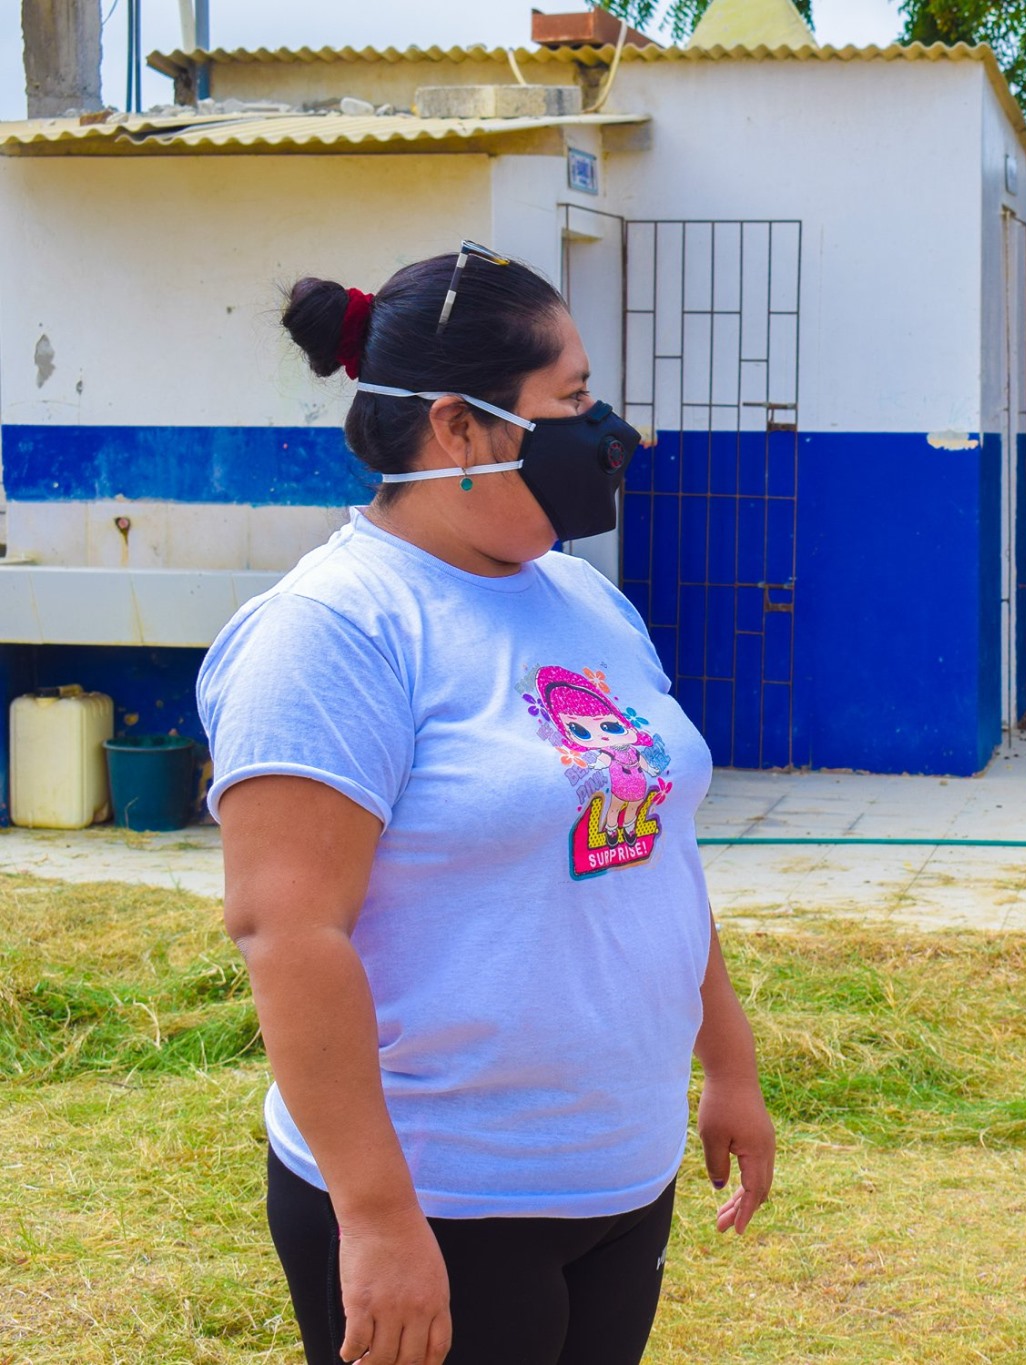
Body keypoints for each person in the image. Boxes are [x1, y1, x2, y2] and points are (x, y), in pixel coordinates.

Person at [200, 243, 775, 1365]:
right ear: (459, 429)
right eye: (570, 400)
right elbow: (288, 932)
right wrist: (375, 1217)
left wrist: (729, 1063)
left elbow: (651, 854)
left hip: (617, 1174)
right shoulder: (333, 632)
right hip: (442, 1198)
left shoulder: (583, 599)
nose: (609, 432)